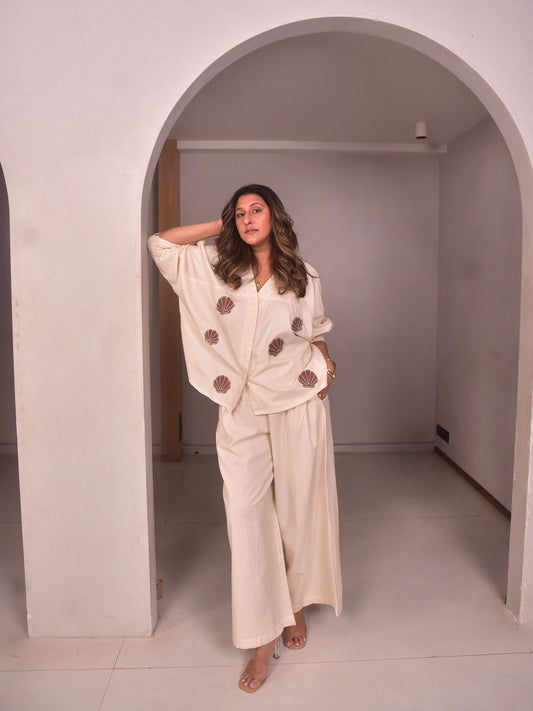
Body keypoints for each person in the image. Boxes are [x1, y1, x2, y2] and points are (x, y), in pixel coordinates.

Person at [148, 184, 342, 693]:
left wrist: (326, 363)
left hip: (297, 402)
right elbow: (161, 245)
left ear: (276, 216)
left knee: (297, 511)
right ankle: (261, 639)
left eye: (257, 210)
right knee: (246, 517)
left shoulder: (304, 275)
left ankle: (294, 606)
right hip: (240, 407)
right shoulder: (218, 267)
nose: (248, 218)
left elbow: (314, 330)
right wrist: (221, 225)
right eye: (239, 213)